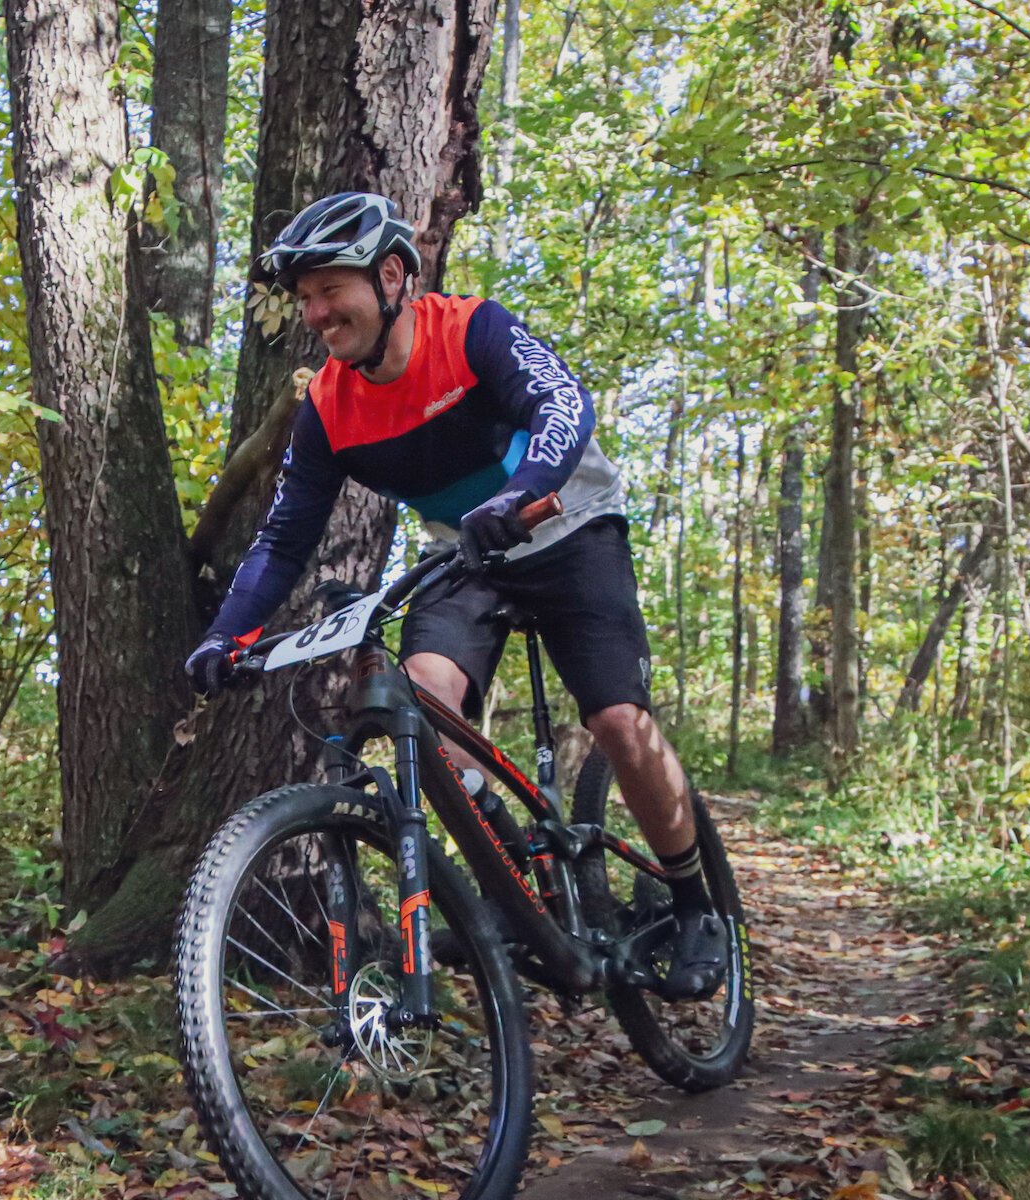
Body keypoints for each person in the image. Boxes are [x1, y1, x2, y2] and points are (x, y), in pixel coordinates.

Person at [184, 192, 725, 995]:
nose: (317, 314)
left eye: (330, 290)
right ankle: (514, 886)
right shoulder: (329, 406)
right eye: (305, 300)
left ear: (392, 274)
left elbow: (562, 404)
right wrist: (225, 636)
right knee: (427, 705)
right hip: (463, 554)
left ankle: (693, 905)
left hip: (569, 525)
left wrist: (524, 492)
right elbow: (283, 538)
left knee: (617, 720)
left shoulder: (471, 330)